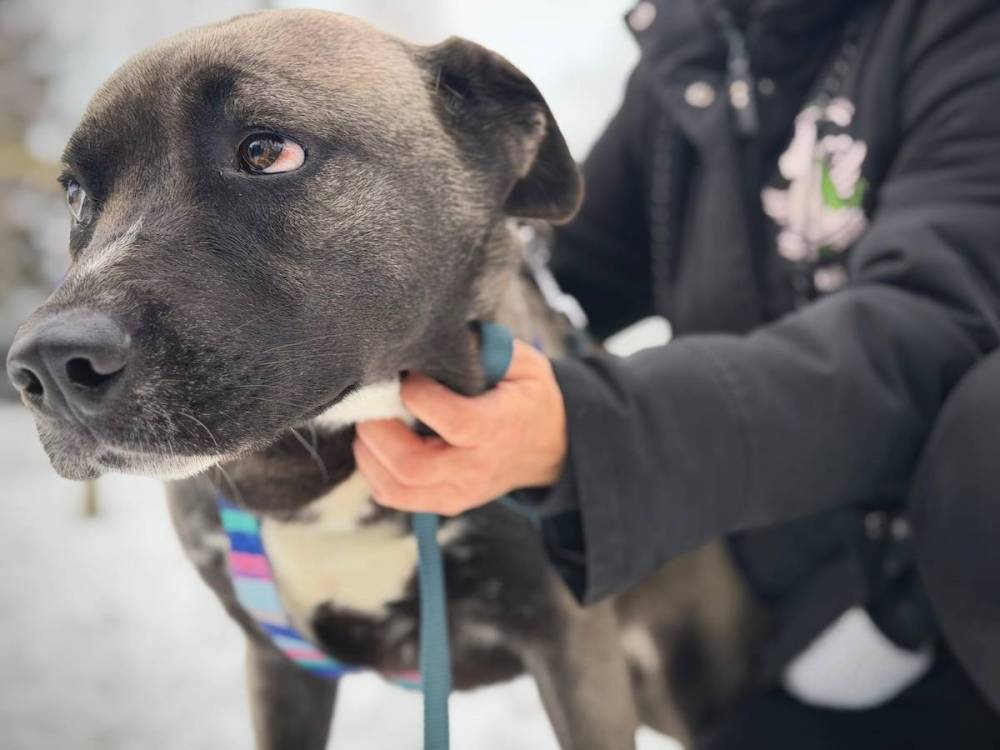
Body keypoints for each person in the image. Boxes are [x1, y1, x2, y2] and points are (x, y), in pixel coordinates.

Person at [352, 0, 1000, 746]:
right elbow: (561, 273)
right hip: (786, 613)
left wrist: (584, 434)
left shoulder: (963, 34)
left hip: (949, 589)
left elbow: (932, 330)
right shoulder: (704, 43)